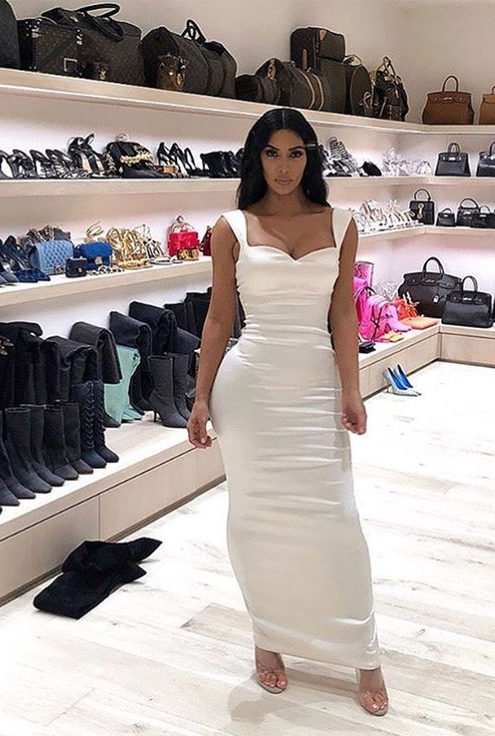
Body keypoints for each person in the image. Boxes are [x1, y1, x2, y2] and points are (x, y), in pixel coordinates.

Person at [186, 107, 389, 716]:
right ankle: (267, 638)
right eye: (271, 154)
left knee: (337, 520)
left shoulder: (342, 221)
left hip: (315, 384)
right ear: (255, 157)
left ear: (310, 158)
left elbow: (345, 316)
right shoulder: (231, 227)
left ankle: (363, 649)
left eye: (294, 153)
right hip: (249, 391)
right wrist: (199, 397)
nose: (282, 166)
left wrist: (352, 389)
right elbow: (220, 318)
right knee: (254, 519)